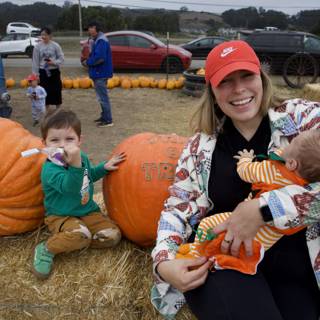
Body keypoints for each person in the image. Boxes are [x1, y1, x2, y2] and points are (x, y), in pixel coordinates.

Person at [151, 40, 320, 320]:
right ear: (212, 91)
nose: (239, 89)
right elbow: (176, 207)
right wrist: (163, 263)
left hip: (295, 266)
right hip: (224, 261)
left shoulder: (304, 120)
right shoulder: (199, 148)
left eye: (246, 76)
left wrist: (265, 209)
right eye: (226, 81)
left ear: (261, 77)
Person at [176, 130, 320, 275]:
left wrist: (245, 159)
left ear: (291, 164)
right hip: (265, 242)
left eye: (292, 142)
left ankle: (194, 255)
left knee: (208, 225)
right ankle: (218, 259)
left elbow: (246, 172)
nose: (288, 143)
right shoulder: (307, 187)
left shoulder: (273, 171)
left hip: (243, 225)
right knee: (233, 248)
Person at [32, 109, 126, 280]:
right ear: (44, 143)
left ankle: (80, 240)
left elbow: (87, 177)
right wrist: (75, 165)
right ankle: (47, 248)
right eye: (54, 140)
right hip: (61, 215)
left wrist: (103, 168)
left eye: (69, 139)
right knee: (80, 235)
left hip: (87, 210)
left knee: (113, 235)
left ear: (79, 140)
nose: (62, 145)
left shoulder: (81, 157)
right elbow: (71, 187)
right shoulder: (50, 169)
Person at [82, 22, 113, 128]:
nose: (88, 31)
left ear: (95, 28)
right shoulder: (96, 40)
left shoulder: (101, 40)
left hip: (101, 73)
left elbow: (100, 58)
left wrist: (88, 62)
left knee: (103, 97)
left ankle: (108, 120)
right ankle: (104, 116)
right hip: (98, 72)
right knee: (101, 97)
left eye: (90, 28)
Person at [32, 27, 64, 110]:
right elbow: (35, 62)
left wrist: (53, 62)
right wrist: (36, 75)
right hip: (43, 72)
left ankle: (58, 110)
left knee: (56, 90)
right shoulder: (37, 47)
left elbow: (61, 59)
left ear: (50, 35)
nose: (43, 36)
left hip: (54, 72)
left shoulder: (55, 45)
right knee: (44, 91)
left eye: (45, 35)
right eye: (42, 34)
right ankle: (47, 111)